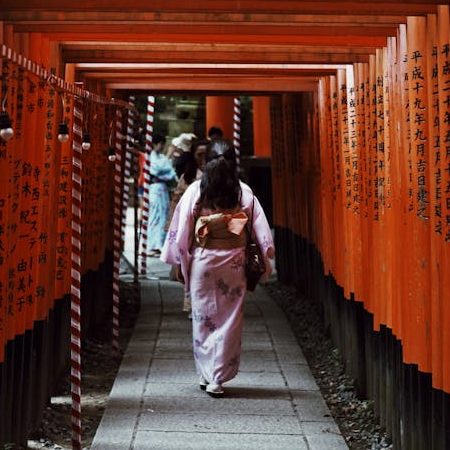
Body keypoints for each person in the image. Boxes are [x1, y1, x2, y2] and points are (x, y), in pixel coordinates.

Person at [161, 139, 274, 398]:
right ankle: (218, 377)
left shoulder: (196, 190)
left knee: (202, 318)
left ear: (206, 160)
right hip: (233, 259)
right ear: (234, 162)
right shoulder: (243, 191)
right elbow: (260, 231)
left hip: (204, 259)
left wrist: (180, 260)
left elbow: (183, 229)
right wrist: (265, 252)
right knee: (230, 320)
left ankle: (205, 372)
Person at [165, 139, 209, 313]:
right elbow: (177, 201)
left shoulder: (218, 175)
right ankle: (193, 304)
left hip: (212, 228)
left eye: (206, 155)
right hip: (191, 229)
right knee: (191, 266)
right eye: (199, 155)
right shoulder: (188, 176)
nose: (203, 159)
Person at [146, 133, 177, 256]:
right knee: (155, 215)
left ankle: (159, 244)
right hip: (155, 187)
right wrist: (168, 157)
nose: (162, 147)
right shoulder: (151, 157)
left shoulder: (160, 157)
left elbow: (171, 173)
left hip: (162, 187)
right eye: (160, 144)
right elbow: (157, 169)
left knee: (163, 215)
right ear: (155, 144)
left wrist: (167, 161)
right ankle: (152, 245)